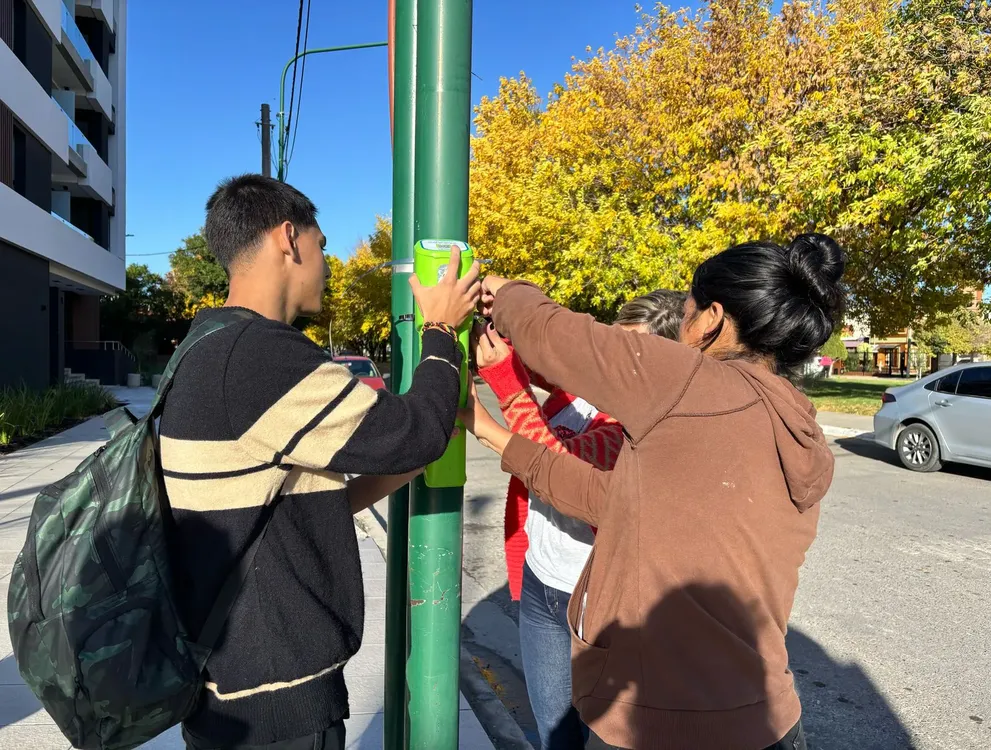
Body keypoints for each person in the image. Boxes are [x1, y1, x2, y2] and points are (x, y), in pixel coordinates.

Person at [465, 234, 845, 750]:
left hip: (661, 723)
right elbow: (605, 496)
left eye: (687, 311)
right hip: (766, 717)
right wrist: (492, 433)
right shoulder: (795, 424)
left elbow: (555, 333)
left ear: (711, 319)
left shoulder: (685, 381)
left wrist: (502, 291)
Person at [159, 174, 480, 750]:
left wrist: (414, 455)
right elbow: (413, 431)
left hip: (226, 686)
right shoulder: (261, 356)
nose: (328, 265)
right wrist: (440, 330)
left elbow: (286, 504)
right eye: (323, 245)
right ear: (290, 238)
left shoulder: (205, 345)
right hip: (273, 698)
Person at [472, 290, 687, 750]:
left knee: (608, 736)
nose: (610, 366)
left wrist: (504, 386)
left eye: (631, 356)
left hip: (595, 598)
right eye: (612, 346)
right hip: (542, 583)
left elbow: (555, 466)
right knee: (555, 734)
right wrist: (500, 324)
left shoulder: (639, 427)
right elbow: (547, 363)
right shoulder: (591, 388)